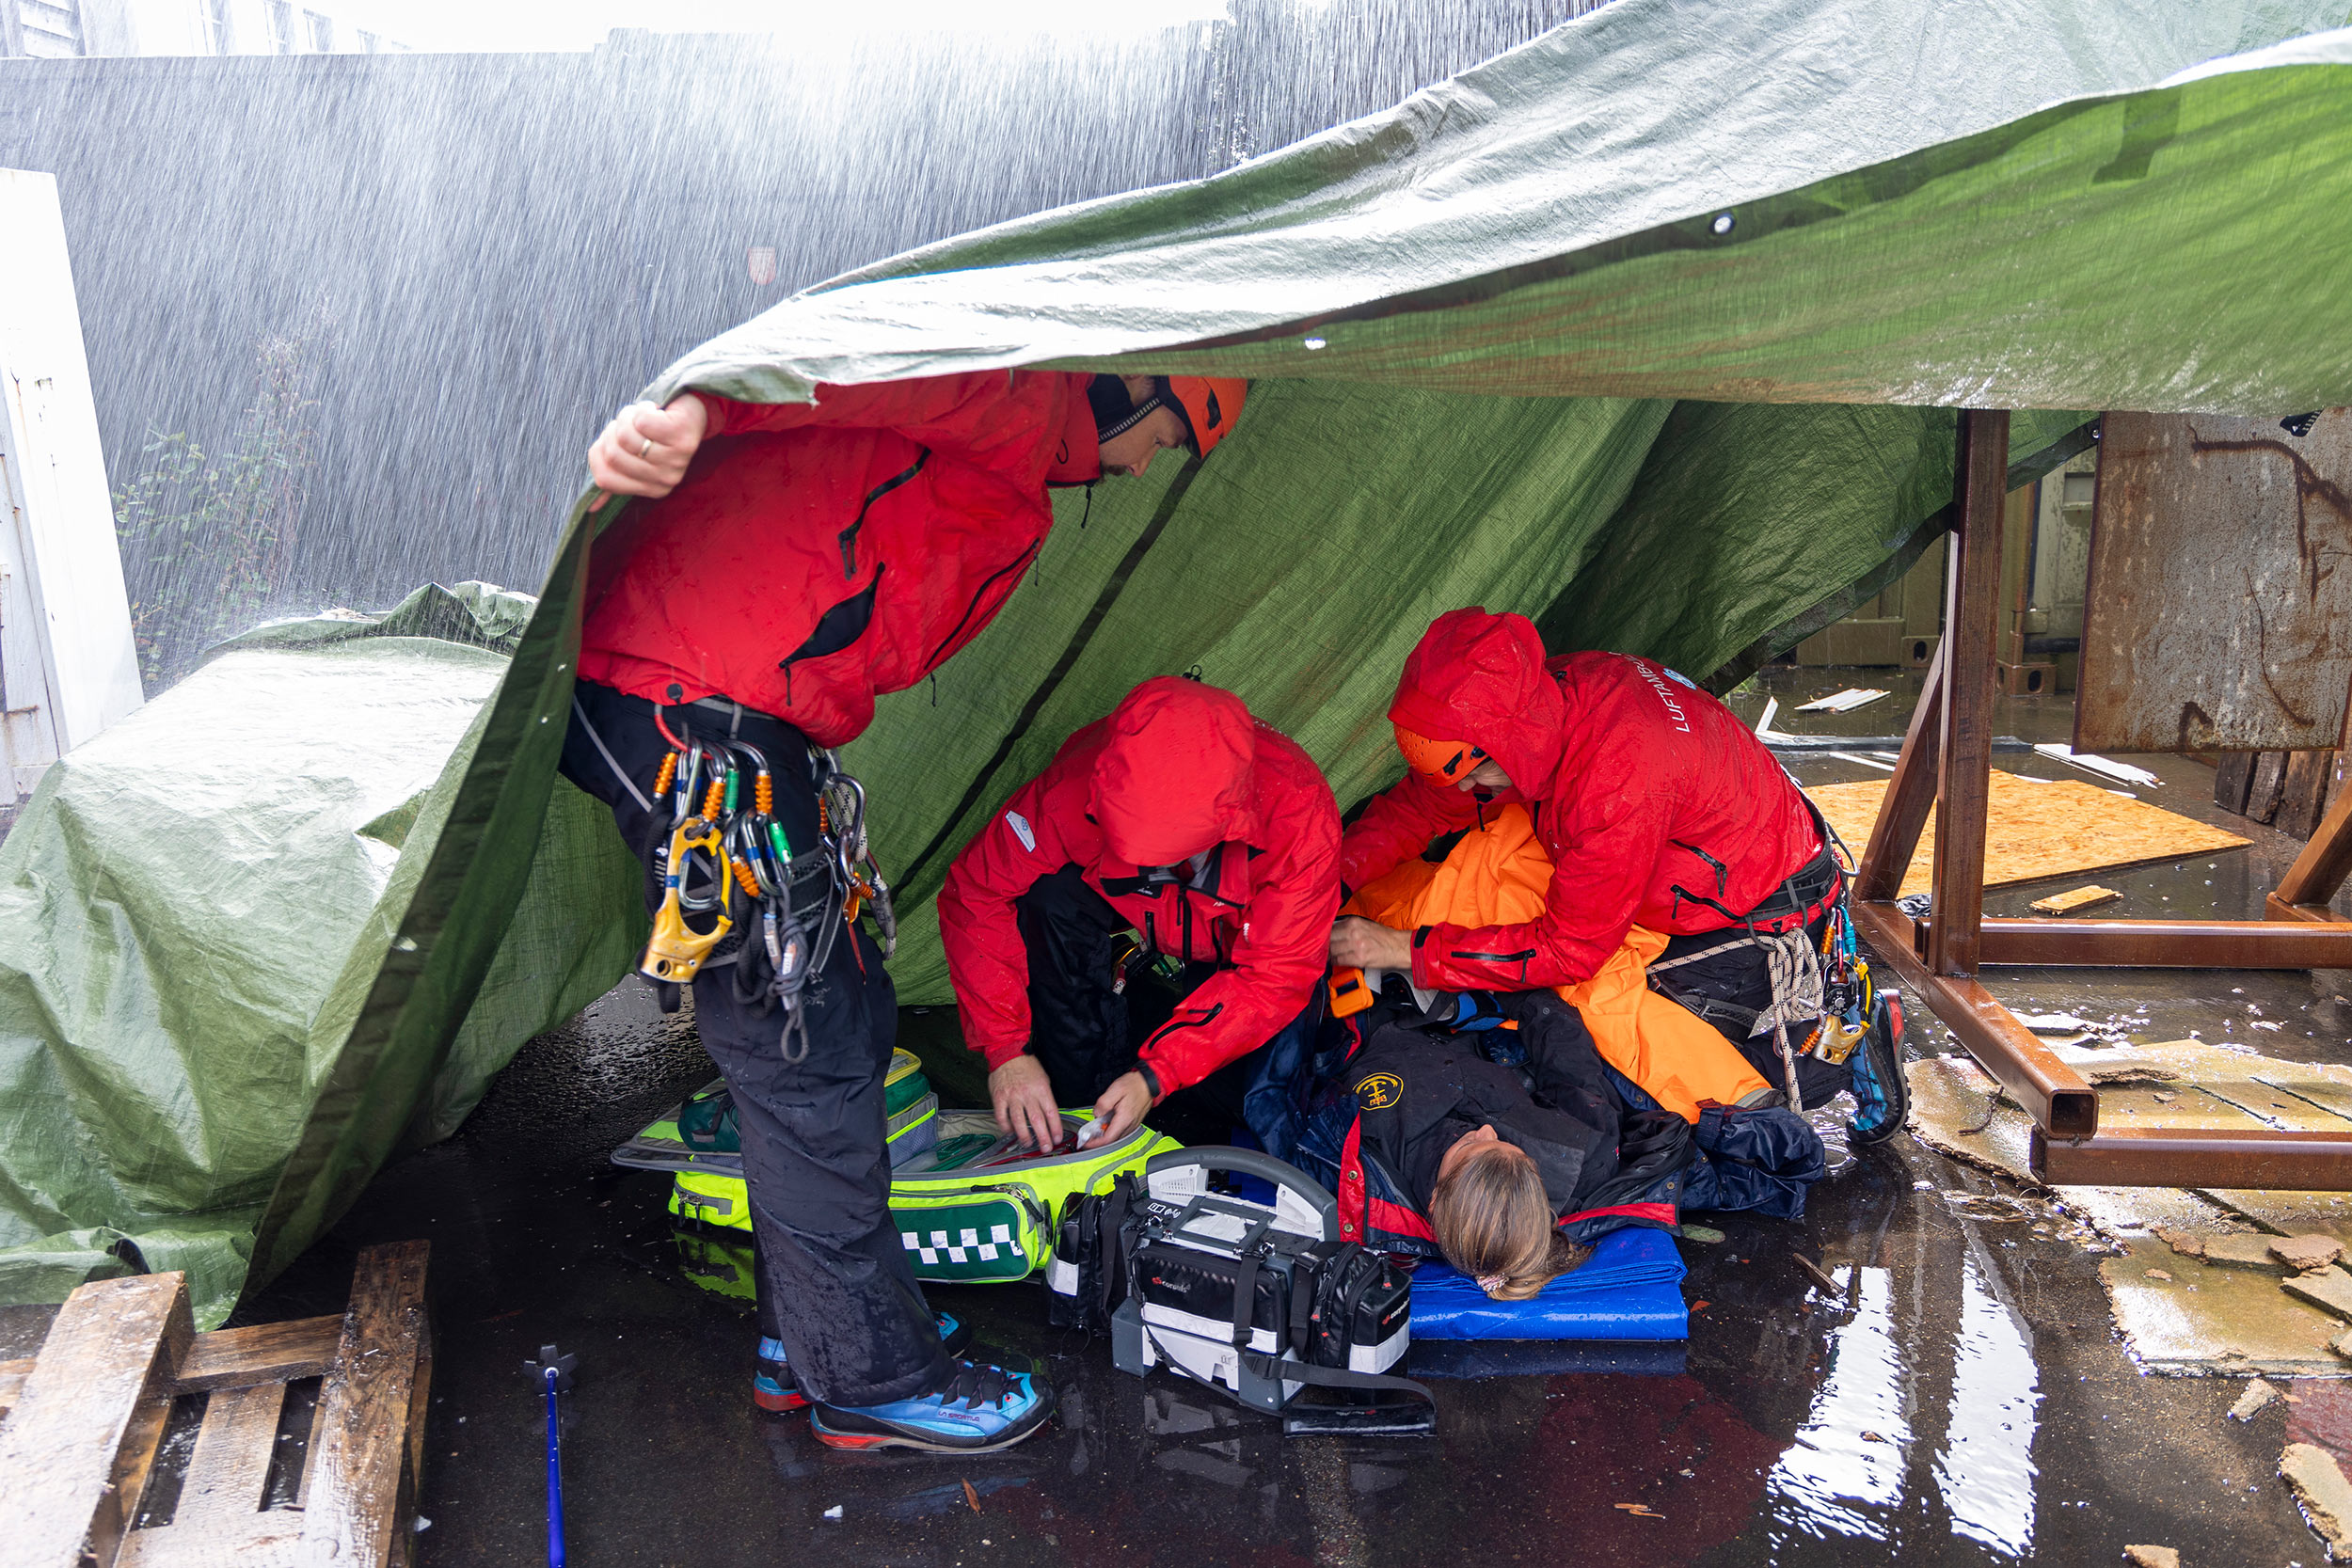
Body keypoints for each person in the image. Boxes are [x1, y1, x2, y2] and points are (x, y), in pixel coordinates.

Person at [563, 370, 1246, 1453]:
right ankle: (870, 1378)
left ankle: (817, 1333)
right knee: (810, 1046)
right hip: (691, 695)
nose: (1141, 465)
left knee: (847, 1019)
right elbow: (848, 366)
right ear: (1130, 388)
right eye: (1159, 437)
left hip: (739, 705)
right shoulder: (1015, 395)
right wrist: (702, 410)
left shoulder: (1023, 457)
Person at [1326, 607, 1906, 1142]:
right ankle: (1375, 922)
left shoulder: (1614, 782)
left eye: (1472, 779)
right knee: (1482, 865)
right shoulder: (1549, 698)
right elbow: (1424, 808)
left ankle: (1808, 1060)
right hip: (1665, 853)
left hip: (1748, 912)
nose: (1465, 794)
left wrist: (1407, 951)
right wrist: (1327, 886)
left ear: (1505, 743)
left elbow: (1568, 951)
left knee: (1596, 1003)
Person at [937, 675, 1340, 1156]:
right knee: (1047, 898)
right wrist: (1006, 1051)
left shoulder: (1297, 812)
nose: (1155, 866)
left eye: (1168, 857)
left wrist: (1157, 1073)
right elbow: (975, 892)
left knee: (1245, 1096)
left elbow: (1275, 976)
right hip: (1120, 902)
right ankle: (1080, 1102)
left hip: (1235, 933)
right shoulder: (1074, 787)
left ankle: (1170, 1088)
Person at [1291, 990, 1706, 1298]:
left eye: (1471, 1147)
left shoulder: (1370, 1149)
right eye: (1513, 1150)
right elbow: (1569, 1061)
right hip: (1479, 1002)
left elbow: (1284, 1088)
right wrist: (1521, 992)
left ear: (1435, 1201)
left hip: (1369, 1009)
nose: (1488, 1132)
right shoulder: (1579, 1154)